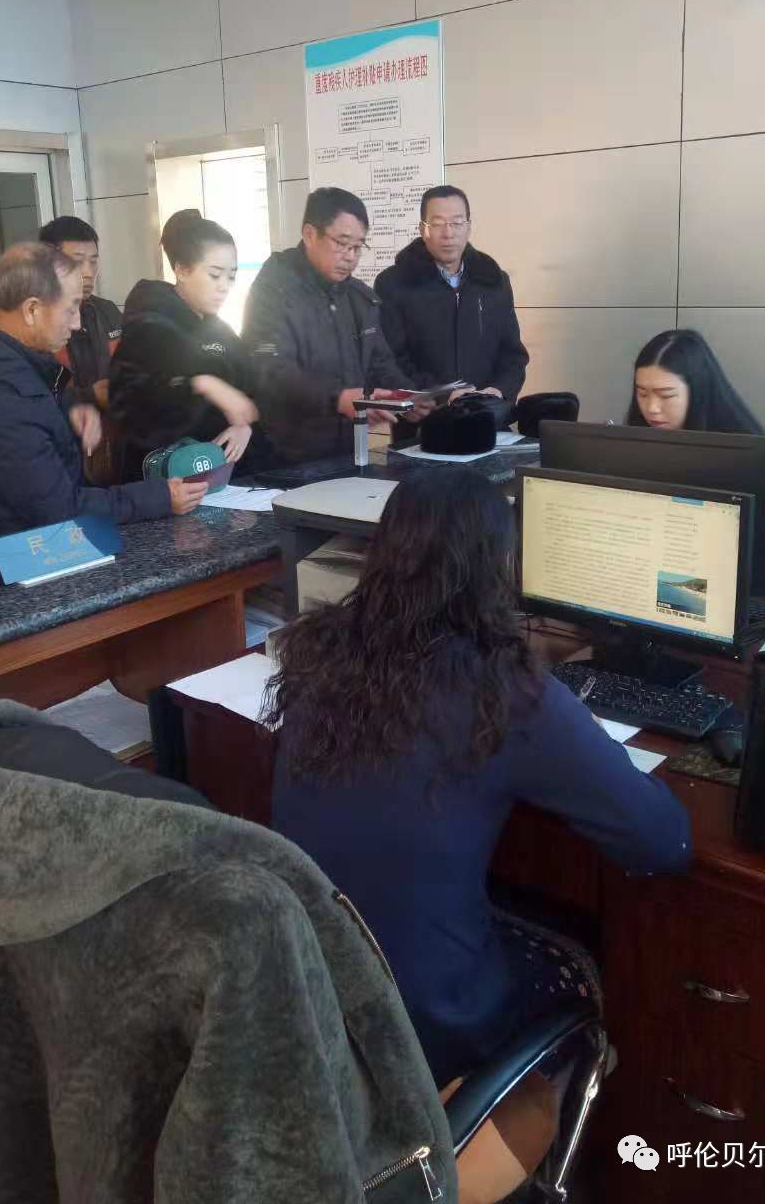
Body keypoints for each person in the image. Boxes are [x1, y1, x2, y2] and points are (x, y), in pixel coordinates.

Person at [266, 470, 691, 1194]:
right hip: (427, 1024)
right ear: (498, 569)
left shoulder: (317, 654)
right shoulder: (505, 690)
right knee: (579, 963)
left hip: (317, 996)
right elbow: (663, 841)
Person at [0, 243, 207, 540]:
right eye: (71, 308)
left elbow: (30, 415)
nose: (77, 324)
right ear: (32, 310)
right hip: (15, 551)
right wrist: (159, 498)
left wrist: (70, 407)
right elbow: (58, 510)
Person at [242, 187, 426, 464]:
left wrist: (409, 398)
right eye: (342, 243)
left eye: (358, 247)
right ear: (309, 234)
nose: (351, 256)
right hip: (283, 457)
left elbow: (380, 364)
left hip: (346, 452)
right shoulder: (275, 290)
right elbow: (271, 372)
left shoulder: (358, 297)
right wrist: (336, 398)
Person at [110, 211, 265, 481]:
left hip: (220, 480)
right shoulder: (149, 325)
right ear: (182, 270)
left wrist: (244, 426)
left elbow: (250, 390)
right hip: (164, 483)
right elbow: (132, 407)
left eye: (231, 276)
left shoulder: (220, 330)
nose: (224, 287)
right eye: (214, 275)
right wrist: (199, 384)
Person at [374, 185, 528, 404]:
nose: (448, 234)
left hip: (485, 414)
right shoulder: (393, 283)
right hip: (425, 416)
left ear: (468, 227)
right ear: (422, 229)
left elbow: (513, 355)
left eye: (457, 223)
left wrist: (499, 390)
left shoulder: (493, 281)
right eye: (437, 224)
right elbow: (391, 359)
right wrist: (442, 395)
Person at [37, 215, 120, 407]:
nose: (88, 273)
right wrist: (88, 397)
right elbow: (29, 402)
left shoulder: (108, 311)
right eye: (77, 262)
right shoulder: (33, 323)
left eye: (93, 261)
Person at [626, 329, 765, 435]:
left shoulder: (741, 448)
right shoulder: (632, 440)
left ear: (697, 391)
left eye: (666, 396)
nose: (652, 408)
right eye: (642, 394)